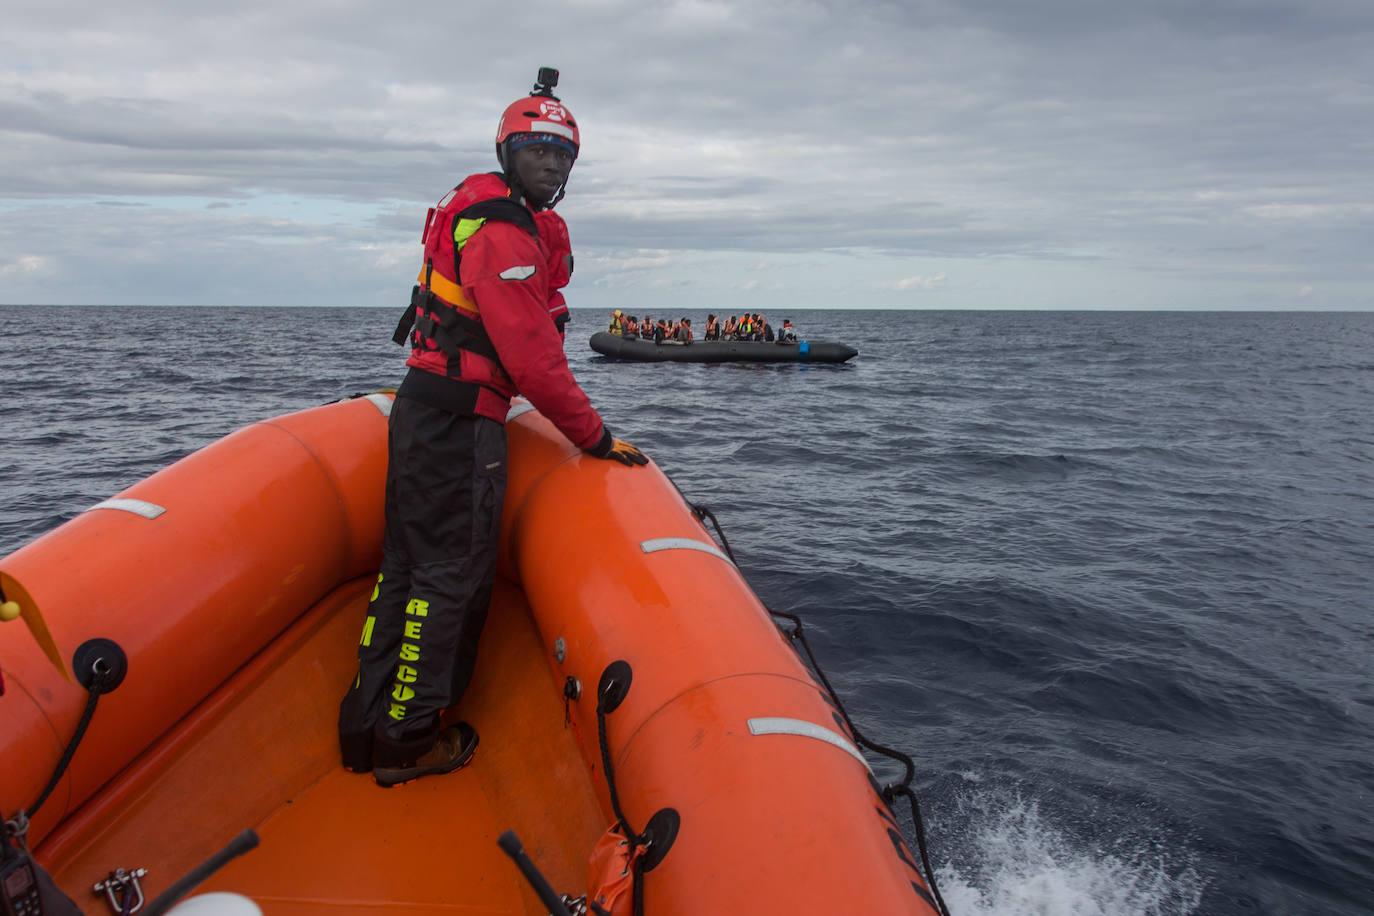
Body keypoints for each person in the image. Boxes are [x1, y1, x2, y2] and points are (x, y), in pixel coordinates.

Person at [341, 68, 649, 788]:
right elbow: (533, 358)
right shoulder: (506, 230)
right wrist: (595, 437)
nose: (550, 163)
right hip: (457, 427)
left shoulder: (473, 207)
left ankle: (365, 727)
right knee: (445, 583)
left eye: (562, 154)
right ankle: (408, 741)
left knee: (406, 571)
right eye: (537, 149)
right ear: (508, 151)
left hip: (422, 412)